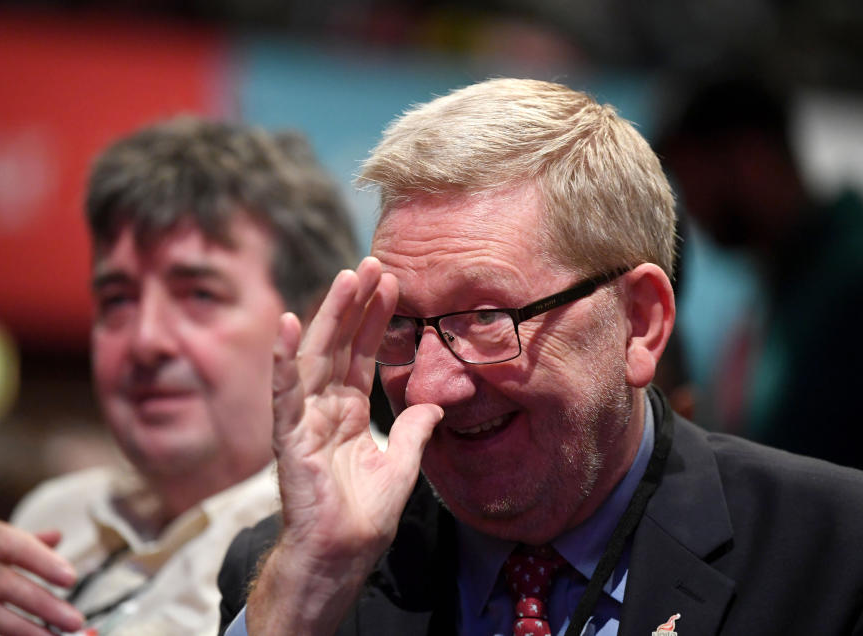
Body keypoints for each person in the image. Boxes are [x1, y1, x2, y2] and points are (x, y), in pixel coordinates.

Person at [216, 78, 863, 636]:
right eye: (401, 326)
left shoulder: (833, 551)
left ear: (639, 323)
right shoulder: (297, 576)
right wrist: (307, 589)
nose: (430, 388)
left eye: (487, 318)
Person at [0, 116, 358, 635]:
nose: (145, 340)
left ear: (321, 321)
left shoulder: (369, 531)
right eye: (117, 298)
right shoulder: (56, 515)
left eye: (199, 295)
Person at [658, 75, 863, 468]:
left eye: (693, 180)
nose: (693, 210)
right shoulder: (779, 287)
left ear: (750, 158)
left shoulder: (848, 281)